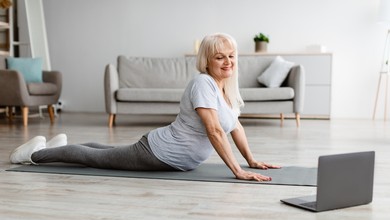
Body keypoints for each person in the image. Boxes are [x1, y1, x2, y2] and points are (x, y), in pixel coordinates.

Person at [10, 33, 280, 182]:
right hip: (159, 153)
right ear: (207, 62)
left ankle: (56, 147)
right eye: (219, 57)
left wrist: (251, 160)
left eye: (231, 56)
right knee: (97, 159)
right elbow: (214, 131)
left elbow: (234, 126)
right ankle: (33, 155)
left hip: (171, 157)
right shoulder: (203, 84)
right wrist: (238, 171)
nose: (227, 62)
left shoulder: (227, 90)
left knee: (108, 152)